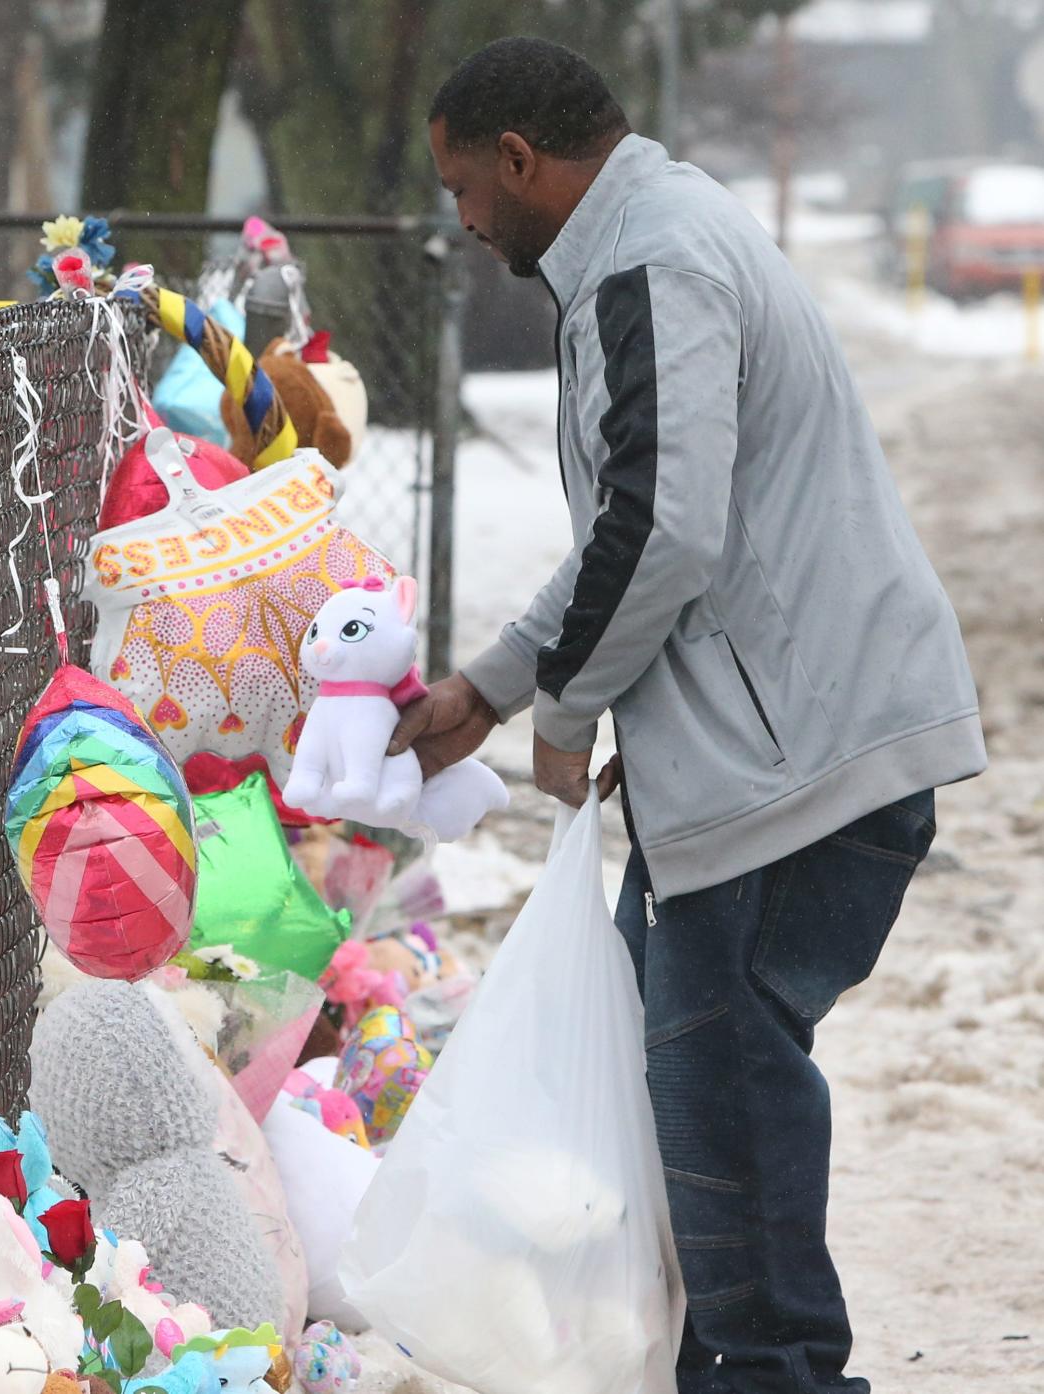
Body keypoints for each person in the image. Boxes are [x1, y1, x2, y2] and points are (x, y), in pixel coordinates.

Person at [390, 35, 986, 1394]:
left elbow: (665, 527)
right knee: (684, 1088)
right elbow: (630, 523)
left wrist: (570, 712)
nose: (464, 219)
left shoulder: (648, 262)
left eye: (463, 187)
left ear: (520, 162)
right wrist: (493, 682)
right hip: (768, 746)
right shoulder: (637, 245)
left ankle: (773, 1374)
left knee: (719, 1092)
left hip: (796, 761)